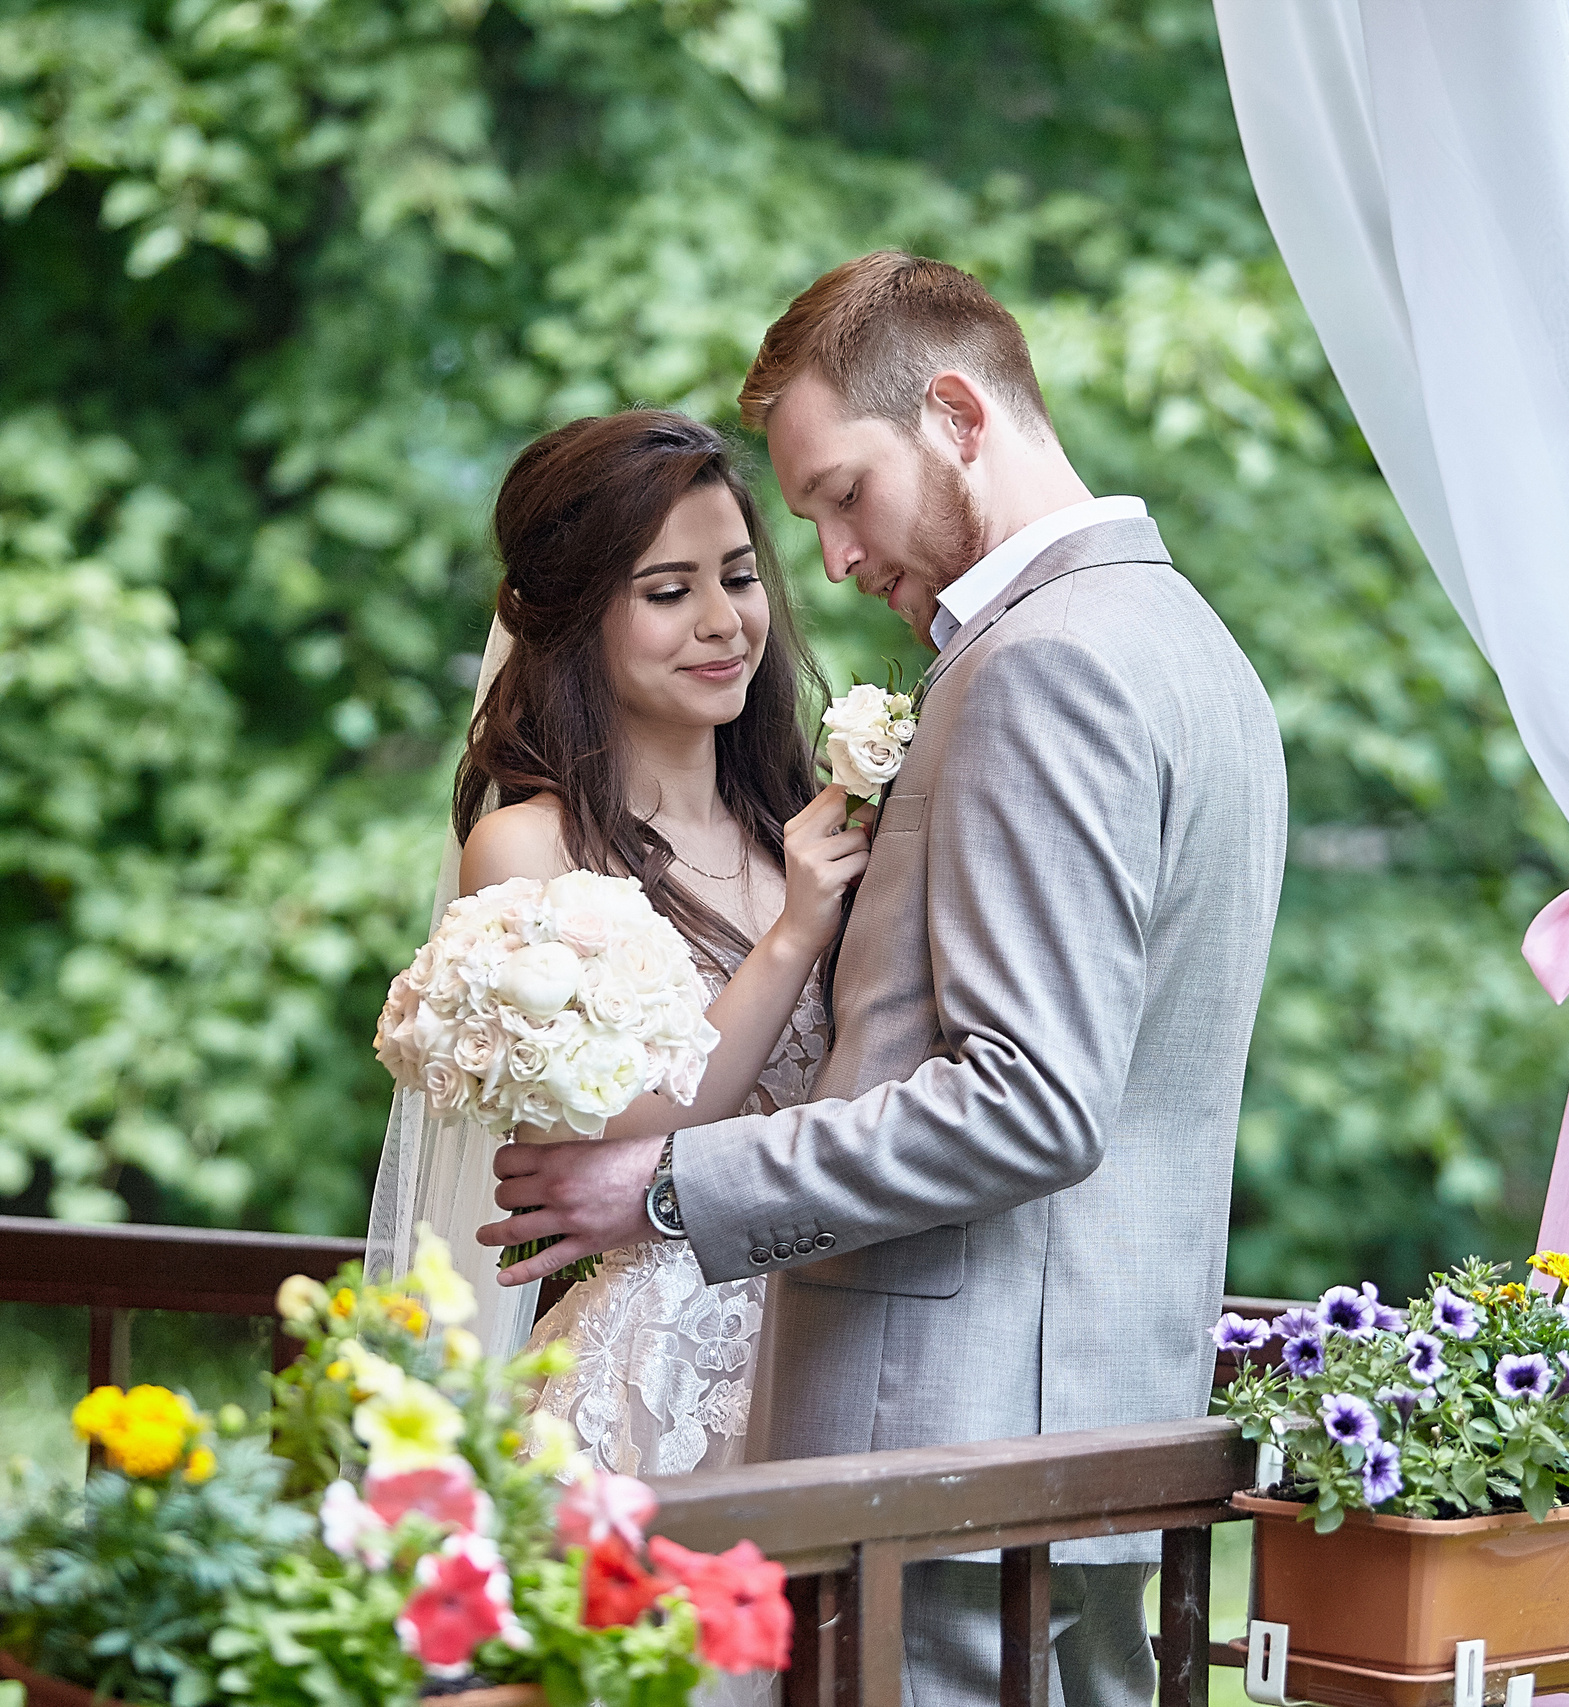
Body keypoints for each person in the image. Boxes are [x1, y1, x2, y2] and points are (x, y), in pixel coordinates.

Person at [481, 253, 1288, 1707]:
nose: (835, 561)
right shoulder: (1194, 647)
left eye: (844, 494)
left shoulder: (1044, 667)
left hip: (951, 1444)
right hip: (1094, 1425)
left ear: (958, 413)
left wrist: (666, 1181)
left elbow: (1032, 1100)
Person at [414, 408, 869, 1477]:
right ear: (574, 617)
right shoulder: (527, 850)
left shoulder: (805, 821)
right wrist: (795, 933)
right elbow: (619, 1132)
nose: (723, 622)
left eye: (740, 576)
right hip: (653, 1385)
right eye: (669, 592)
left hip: (838, 1346)